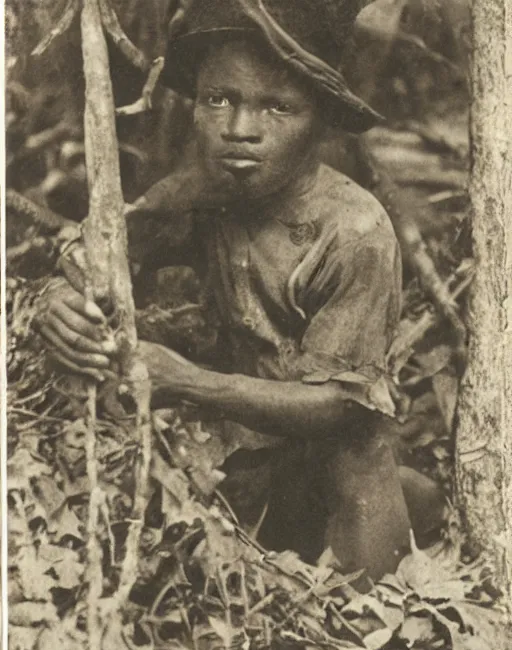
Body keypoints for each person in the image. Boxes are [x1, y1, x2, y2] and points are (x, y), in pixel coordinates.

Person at [36, 0, 415, 580]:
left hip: (332, 461)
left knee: (363, 453)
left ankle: (382, 595)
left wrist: (186, 381)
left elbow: (341, 405)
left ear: (319, 118)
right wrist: (59, 304)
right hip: (244, 453)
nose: (239, 131)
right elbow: (96, 262)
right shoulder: (196, 195)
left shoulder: (355, 231)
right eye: (219, 100)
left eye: (277, 107)